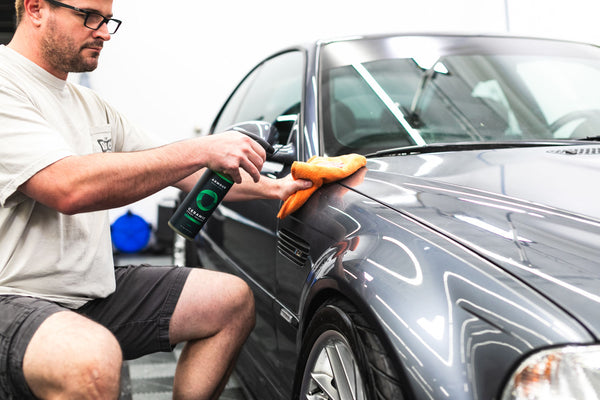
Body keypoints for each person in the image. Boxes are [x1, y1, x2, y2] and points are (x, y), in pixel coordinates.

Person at [0, 0, 312, 398]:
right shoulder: (6, 82)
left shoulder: (91, 105)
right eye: (89, 16)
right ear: (36, 8)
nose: (105, 32)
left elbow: (187, 172)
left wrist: (277, 188)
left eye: (108, 19)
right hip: (14, 295)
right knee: (90, 359)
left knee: (230, 302)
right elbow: (67, 188)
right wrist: (202, 148)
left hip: (90, 295)